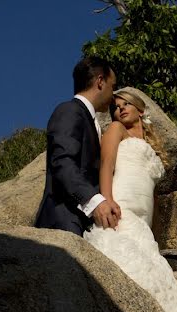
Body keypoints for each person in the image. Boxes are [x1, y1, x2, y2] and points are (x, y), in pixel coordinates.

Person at [83, 88, 177, 312]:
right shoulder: (116, 130)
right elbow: (106, 164)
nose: (120, 109)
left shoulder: (151, 145)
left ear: (141, 110)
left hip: (143, 214)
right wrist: (106, 200)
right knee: (124, 258)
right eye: (116, 106)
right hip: (121, 202)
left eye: (126, 104)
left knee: (151, 265)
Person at [35, 56, 121, 234]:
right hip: (64, 220)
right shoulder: (69, 110)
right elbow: (62, 162)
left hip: (82, 223)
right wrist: (94, 201)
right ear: (100, 82)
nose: (113, 96)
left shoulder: (90, 120)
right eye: (112, 87)